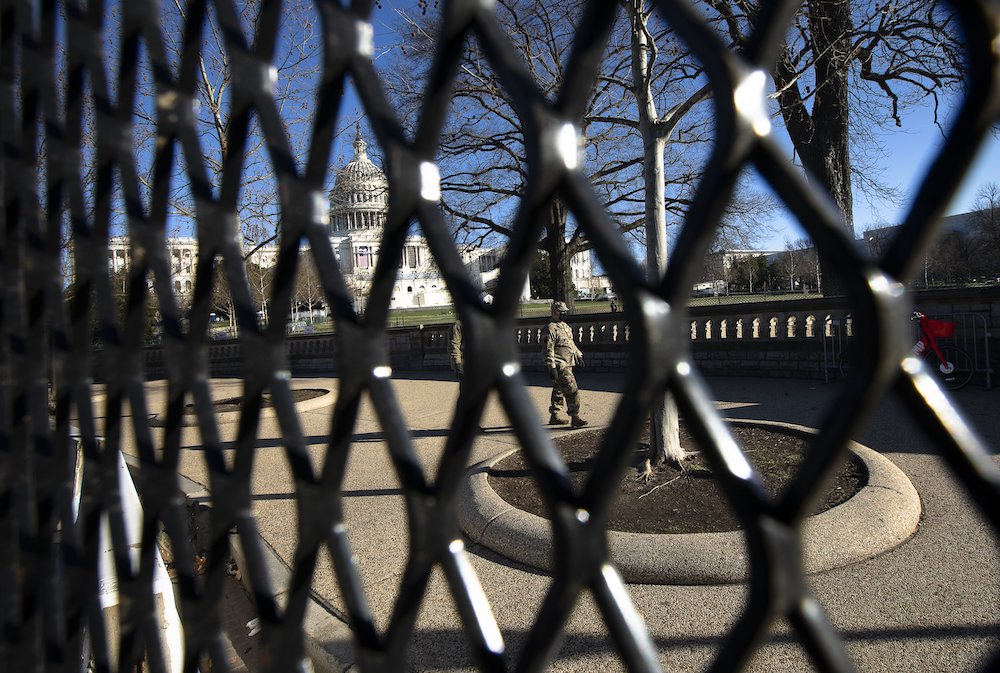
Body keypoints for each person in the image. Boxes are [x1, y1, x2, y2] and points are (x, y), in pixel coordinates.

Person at [543, 301, 587, 428]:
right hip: (559, 364)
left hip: (568, 362)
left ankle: (554, 416)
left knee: (558, 390)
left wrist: (578, 355)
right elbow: (548, 348)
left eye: (565, 312)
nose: (564, 314)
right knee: (572, 389)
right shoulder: (550, 328)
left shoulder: (565, 327)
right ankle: (575, 416)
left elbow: (570, 343)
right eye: (561, 312)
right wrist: (551, 367)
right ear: (554, 312)